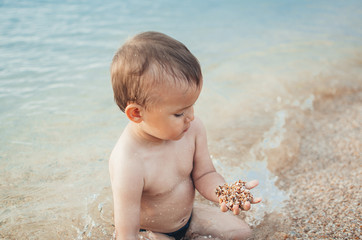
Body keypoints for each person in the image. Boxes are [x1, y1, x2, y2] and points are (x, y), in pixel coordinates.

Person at [109, 31, 261, 240]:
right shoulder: (129, 162)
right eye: (179, 113)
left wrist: (225, 193)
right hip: (151, 232)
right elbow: (126, 234)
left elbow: (204, 175)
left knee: (242, 233)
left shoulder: (192, 129)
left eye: (192, 106)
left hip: (188, 218)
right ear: (137, 113)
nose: (191, 117)